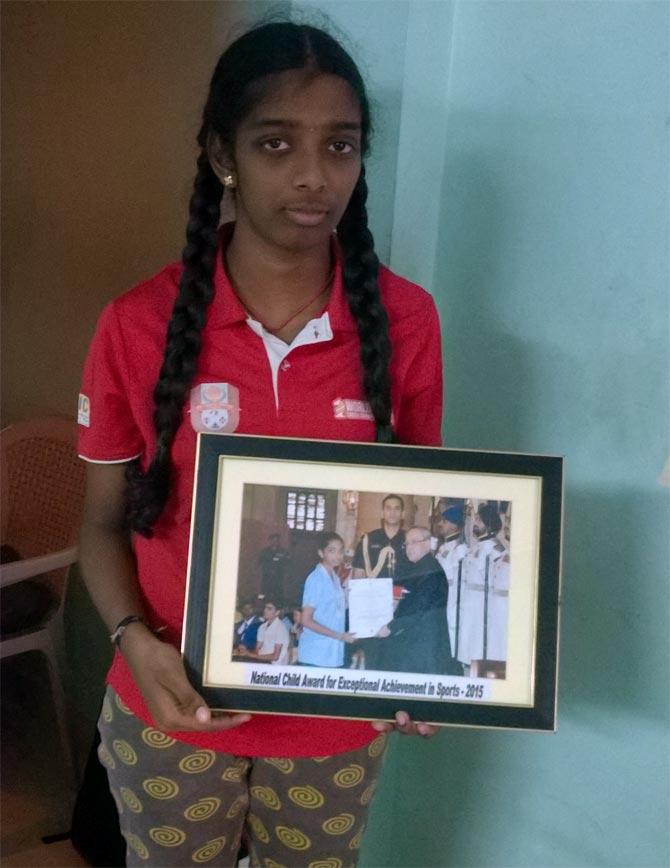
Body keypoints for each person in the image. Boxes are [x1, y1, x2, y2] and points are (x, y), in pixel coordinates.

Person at [78, 21, 443, 867]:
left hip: (334, 723)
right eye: (277, 143)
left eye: (341, 146)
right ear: (222, 154)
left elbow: (424, 511)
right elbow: (100, 524)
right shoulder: (136, 324)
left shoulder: (408, 320)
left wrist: (419, 664)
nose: (315, 176)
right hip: (171, 707)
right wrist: (132, 635)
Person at [375, 527, 452, 675]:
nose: (408, 547)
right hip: (418, 640)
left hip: (425, 644)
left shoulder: (429, 569)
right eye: (407, 544)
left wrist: (390, 627)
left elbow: (418, 606)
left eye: (414, 542)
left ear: (428, 544)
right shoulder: (420, 567)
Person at [457, 503, 507, 675]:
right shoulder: (476, 546)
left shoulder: (495, 548)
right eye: (475, 519)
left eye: (479, 520)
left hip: (482, 606)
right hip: (470, 604)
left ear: (489, 523)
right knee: (468, 644)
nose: (474, 523)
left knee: (478, 646)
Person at [298, 532, 355, 667]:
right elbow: (306, 620)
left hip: (331, 653)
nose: (338, 556)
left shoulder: (335, 578)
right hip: (315, 654)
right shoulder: (316, 579)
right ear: (321, 553)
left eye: (340, 551)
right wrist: (339, 636)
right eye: (332, 551)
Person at [434, 503, 468, 668]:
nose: (441, 524)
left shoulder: (460, 549)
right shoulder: (442, 548)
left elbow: (459, 583)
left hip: (452, 605)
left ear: (455, 525)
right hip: (440, 603)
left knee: (452, 648)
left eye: (445, 521)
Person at [352, 493, 407, 580]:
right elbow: (359, 573)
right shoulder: (369, 539)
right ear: (382, 513)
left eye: (397, 509)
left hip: (403, 591)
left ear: (403, 514)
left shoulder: (410, 540)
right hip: (374, 592)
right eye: (388, 508)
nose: (392, 512)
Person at [242, 599, 290, 665]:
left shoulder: (281, 628)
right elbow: (257, 649)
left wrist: (251, 655)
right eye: (265, 608)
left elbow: (275, 657)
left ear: (277, 612)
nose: (265, 610)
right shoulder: (262, 627)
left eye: (269, 609)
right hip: (262, 662)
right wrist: (245, 651)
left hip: (276, 666)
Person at [258, 533, 290, 600]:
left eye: (277, 540)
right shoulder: (264, 552)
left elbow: (287, 562)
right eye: (273, 540)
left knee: (278, 596)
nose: (275, 542)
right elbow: (259, 562)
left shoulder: (283, 552)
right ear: (270, 541)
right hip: (267, 578)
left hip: (278, 578)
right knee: (263, 595)